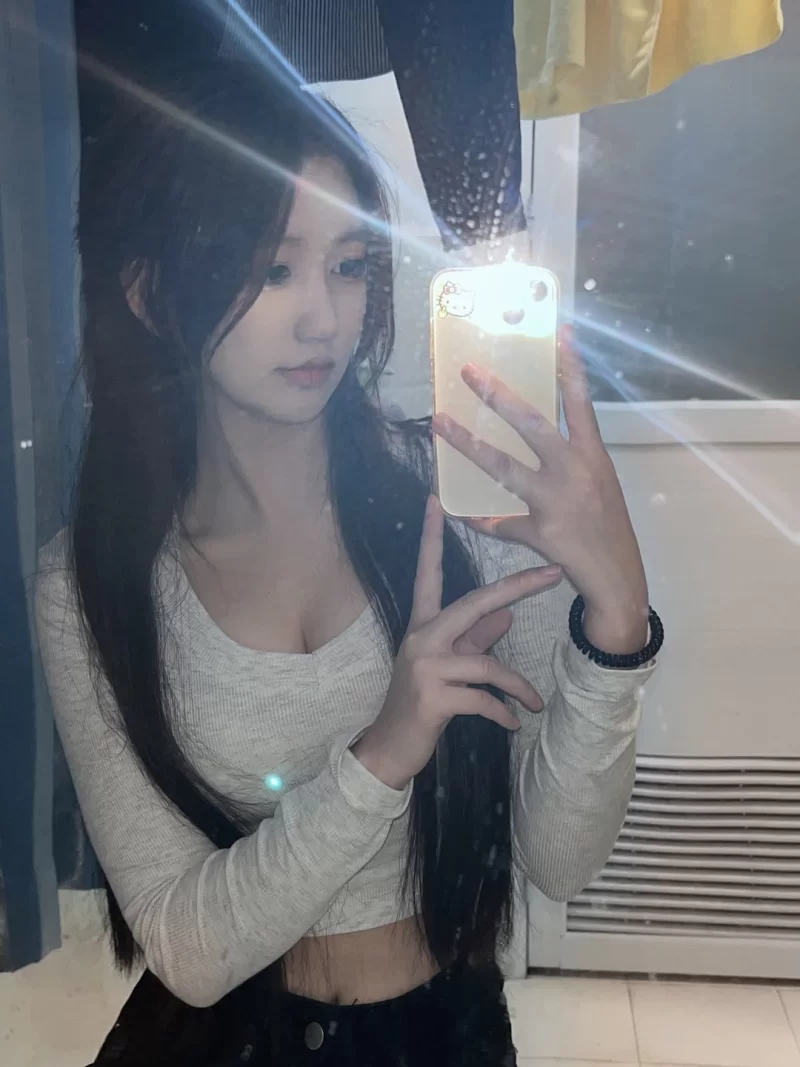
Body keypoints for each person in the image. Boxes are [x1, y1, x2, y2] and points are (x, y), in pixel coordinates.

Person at [35, 65, 660, 1066]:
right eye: (272, 270)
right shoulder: (91, 583)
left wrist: (616, 619)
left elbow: (559, 857)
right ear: (151, 293)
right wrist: (384, 752)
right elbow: (185, 948)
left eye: (349, 264)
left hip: (441, 1033)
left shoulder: (466, 509)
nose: (323, 318)